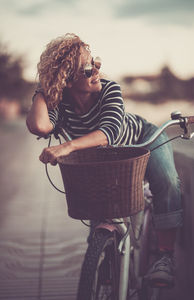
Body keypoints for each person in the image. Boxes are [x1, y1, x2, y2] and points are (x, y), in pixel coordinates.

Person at [26, 33, 182, 288]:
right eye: (88, 68)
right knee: (101, 208)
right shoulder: (60, 103)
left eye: (96, 62)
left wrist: (67, 147)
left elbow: (107, 134)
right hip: (106, 160)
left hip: (143, 141)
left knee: (167, 181)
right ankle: (104, 254)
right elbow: (40, 126)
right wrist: (45, 89)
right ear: (66, 78)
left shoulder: (110, 89)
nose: (97, 70)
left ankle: (165, 257)